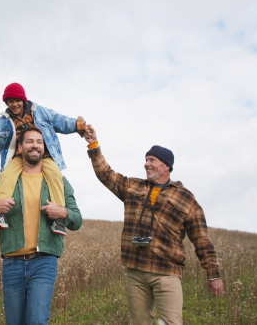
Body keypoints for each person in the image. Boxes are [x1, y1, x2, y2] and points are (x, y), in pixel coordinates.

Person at [83, 124, 224, 325]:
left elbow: (202, 240)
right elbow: (106, 174)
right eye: (146, 160)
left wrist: (213, 275)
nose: (146, 164)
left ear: (166, 166)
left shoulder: (185, 198)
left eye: (152, 160)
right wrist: (93, 144)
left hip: (167, 272)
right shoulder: (133, 187)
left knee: (172, 322)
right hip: (136, 271)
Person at [0, 82, 85, 235]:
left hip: (44, 156)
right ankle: (0, 215)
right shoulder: (2, 124)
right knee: (6, 176)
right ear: (6, 103)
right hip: (19, 158)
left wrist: (80, 126)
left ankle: (58, 220)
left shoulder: (40, 112)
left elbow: (59, 120)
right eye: (10, 101)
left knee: (55, 176)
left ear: (24, 101)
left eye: (17, 101)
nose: (14, 104)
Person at [0, 126, 82, 325]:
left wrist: (63, 212)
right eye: (29, 141)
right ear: (20, 147)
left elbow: (77, 220)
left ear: (44, 148)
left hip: (44, 260)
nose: (35, 145)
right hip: (12, 262)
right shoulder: (6, 181)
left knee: (36, 321)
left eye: (39, 142)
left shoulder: (58, 181)